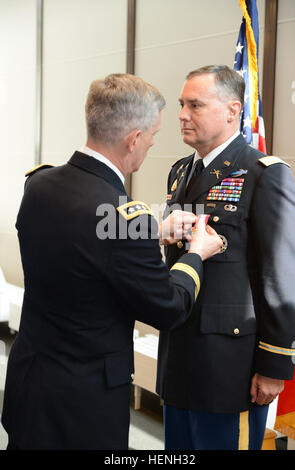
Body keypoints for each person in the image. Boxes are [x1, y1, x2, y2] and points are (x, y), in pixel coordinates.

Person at [1, 73, 222, 450]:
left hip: (30, 385)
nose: (151, 143)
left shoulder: (39, 184)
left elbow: (79, 238)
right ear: (133, 139)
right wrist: (197, 253)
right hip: (84, 406)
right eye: (151, 136)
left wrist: (151, 230)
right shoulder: (123, 218)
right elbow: (168, 307)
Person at [156, 65, 295, 450]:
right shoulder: (181, 172)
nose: (183, 115)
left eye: (196, 105)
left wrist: (274, 367)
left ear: (233, 111)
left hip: (229, 366)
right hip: (180, 356)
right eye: (182, 105)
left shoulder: (263, 173)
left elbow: (282, 278)